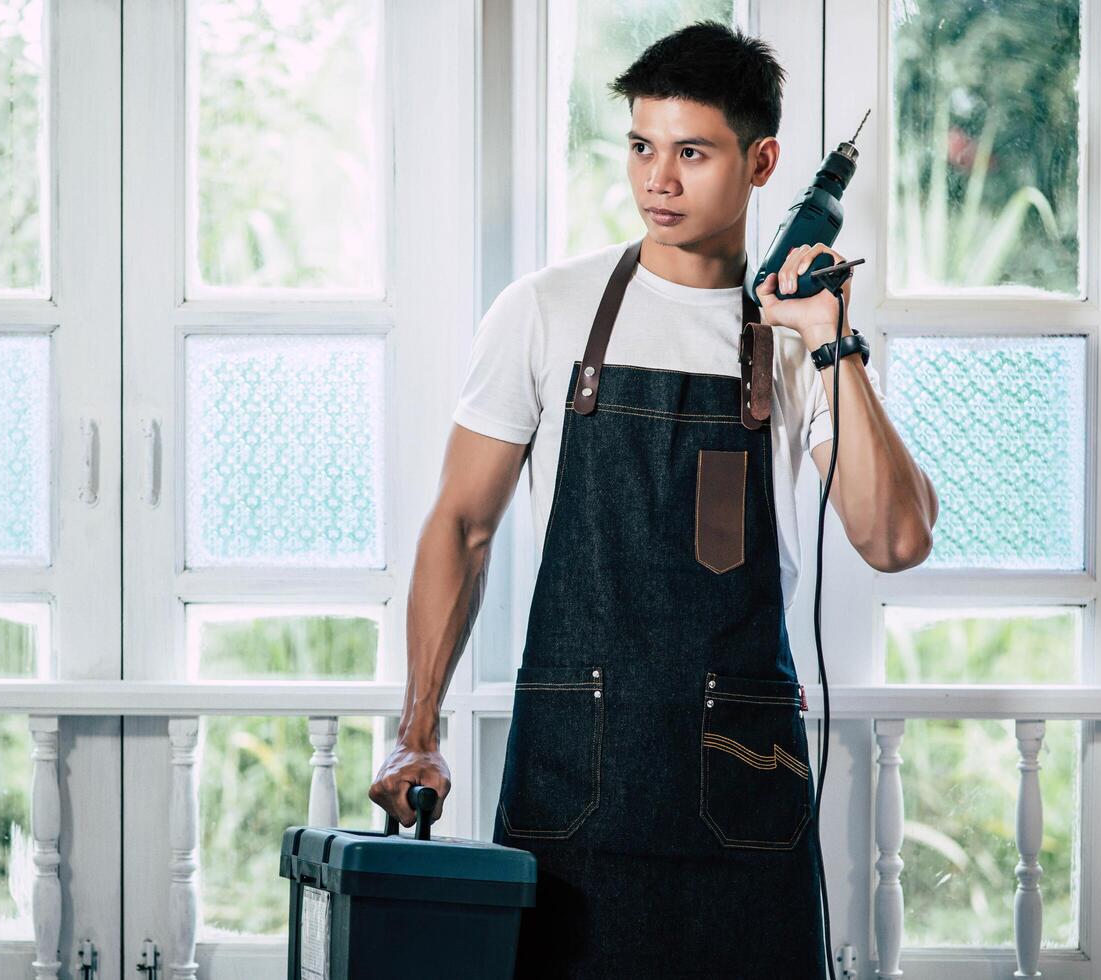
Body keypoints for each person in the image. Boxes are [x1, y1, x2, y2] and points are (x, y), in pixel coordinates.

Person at [368, 19, 938, 978]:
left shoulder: (797, 341)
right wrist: (413, 733)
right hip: (572, 781)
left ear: (762, 163)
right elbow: (462, 528)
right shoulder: (545, 311)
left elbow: (894, 539)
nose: (656, 181)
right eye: (640, 146)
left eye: (690, 152)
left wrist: (828, 338)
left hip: (743, 787)